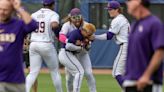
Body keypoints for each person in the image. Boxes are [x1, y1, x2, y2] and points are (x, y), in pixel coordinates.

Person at [123, 0, 164, 92]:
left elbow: (160, 52)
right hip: (131, 81)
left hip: (148, 83)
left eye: (129, 1)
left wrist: (146, 76)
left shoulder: (154, 24)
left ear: (138, 1)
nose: (127, 3)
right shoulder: (134, 25)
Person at [25, 0, 63, 92]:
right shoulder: (53, 14)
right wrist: (59, 34)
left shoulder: (34, 14)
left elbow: (27, 27)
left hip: (33, 44)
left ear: (43, 4)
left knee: (32, 73)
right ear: (53, 4)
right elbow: (54, 25)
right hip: (46, 44)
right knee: (54, 72)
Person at [0, 0, 38, 92]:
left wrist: (19, 8)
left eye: (5, 10)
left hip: (16, 79)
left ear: (12, 10)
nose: (2, 12)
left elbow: (33, 25)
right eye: (0, 9)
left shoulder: (18, 25)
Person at [59, 8, 97, 92]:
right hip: (70, 53)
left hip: (82, 52)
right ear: (70, 17)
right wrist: (69, 42)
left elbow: (91, 38)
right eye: (74, 17)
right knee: (69, 78)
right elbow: (61, 37)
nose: (76, 20)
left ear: (81, 17)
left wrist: (87, 43)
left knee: (89, 73)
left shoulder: (86, 25)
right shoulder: (67, 25)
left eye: (78, 17)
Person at [94, 1, 130, 87]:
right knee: (124, 73)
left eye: (111, 9)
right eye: (108, 9)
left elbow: (109, 36)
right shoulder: (122, 18)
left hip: (125, 46)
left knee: (116, 72)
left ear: (117, 9)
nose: (109, 11)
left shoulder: (117, 20)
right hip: (129, 46)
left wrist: (94, 37)